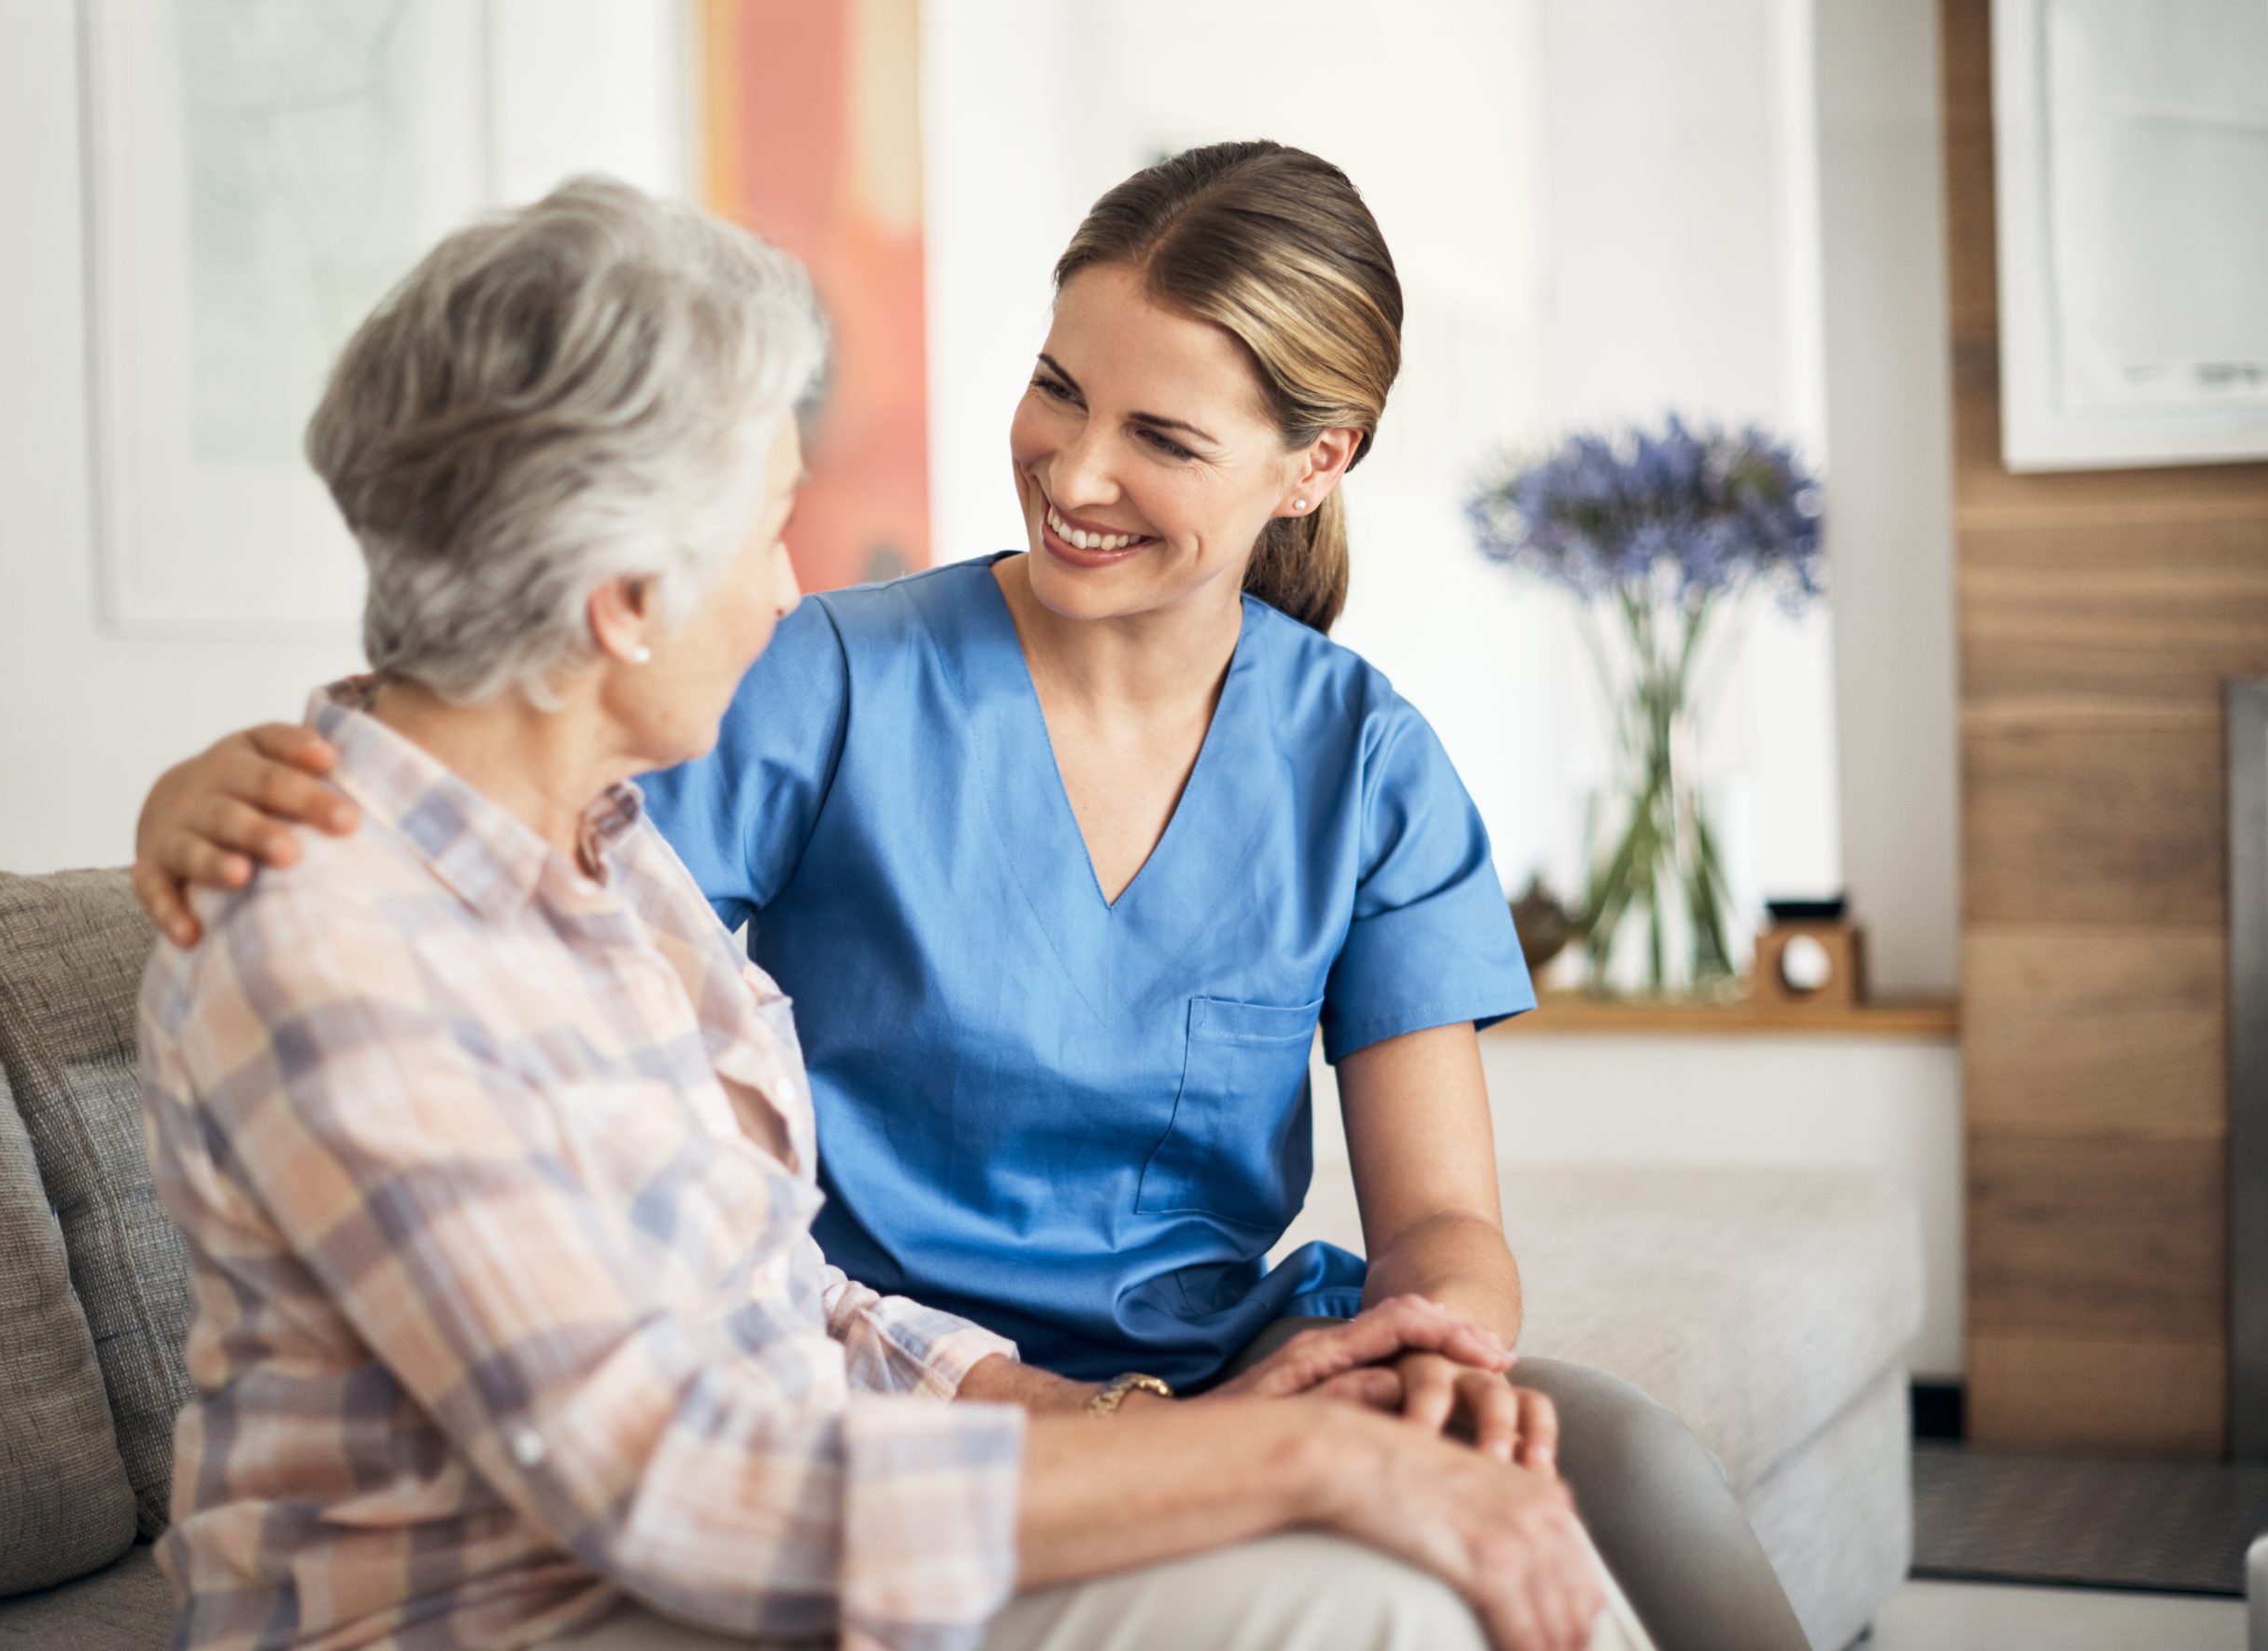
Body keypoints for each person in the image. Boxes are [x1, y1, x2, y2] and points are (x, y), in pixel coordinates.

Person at [134, 145, 1806, 1651]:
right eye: (1059, 393)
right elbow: (489, 753)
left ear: (1312, 465)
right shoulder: (788, 705)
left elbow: (540, 845)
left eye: (1160, 435)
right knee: (1405, 1591)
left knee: (1631, 1477)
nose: (1075, 473)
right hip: (855, 1458)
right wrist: (216, 790)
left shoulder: (1352, 756)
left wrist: (1399, 1354)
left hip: (1051, 1386)